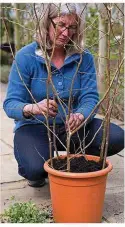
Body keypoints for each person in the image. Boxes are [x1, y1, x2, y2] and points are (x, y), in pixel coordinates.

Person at [3, 3, 124, 187]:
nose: (67, 33)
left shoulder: (84, 57)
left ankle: (74, 159)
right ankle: (36, 163)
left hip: (73, 127)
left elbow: (90, 97)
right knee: (35, 168)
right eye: (61, 25)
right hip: (35, 126)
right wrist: (33, 108)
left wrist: (80, 115)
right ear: (46, 23)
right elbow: (11, 103)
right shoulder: (25, 57)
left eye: (72, 27)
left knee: (116, 137)